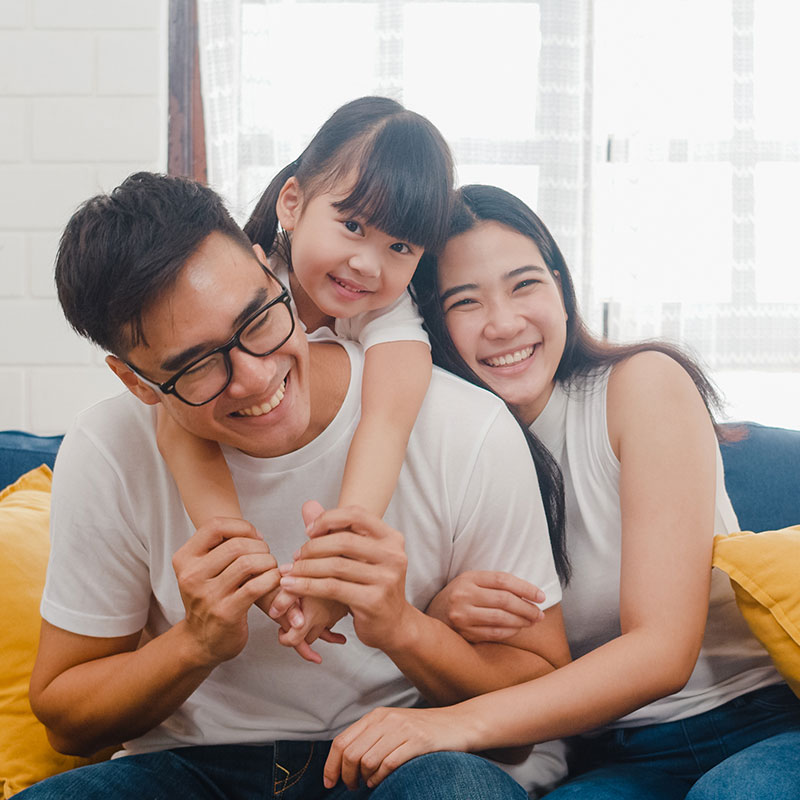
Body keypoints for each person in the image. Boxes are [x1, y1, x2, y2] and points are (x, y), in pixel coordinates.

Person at [19, 174, 571, 799]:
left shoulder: (463, 426)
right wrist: (193, 644)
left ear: (270, 272)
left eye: (257, 319)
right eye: (197, 366)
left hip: (397, 758)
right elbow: (66, 719)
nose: (255, 379)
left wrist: (399, 625)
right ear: (138, 383)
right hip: (190, 769)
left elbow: (534, 702)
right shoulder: (108, 448)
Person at [315, 184, 800, 799]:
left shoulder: (640, 387)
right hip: (608, 753)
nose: (504, 323)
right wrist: (441, 619)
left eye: (524, 285)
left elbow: (663, 650)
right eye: (465, 302)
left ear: (561, 288)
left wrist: (448, 725)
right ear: (433, 327)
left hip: (756, 720)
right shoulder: (445, 448)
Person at [156, 99, 453, 658]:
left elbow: (387, 421)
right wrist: (257, 580)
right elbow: (178, 428)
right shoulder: (248, 284)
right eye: (352, 225)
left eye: (400, 247)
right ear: (292, 204)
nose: (368, 264)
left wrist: (338, 563)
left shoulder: (389, 314)